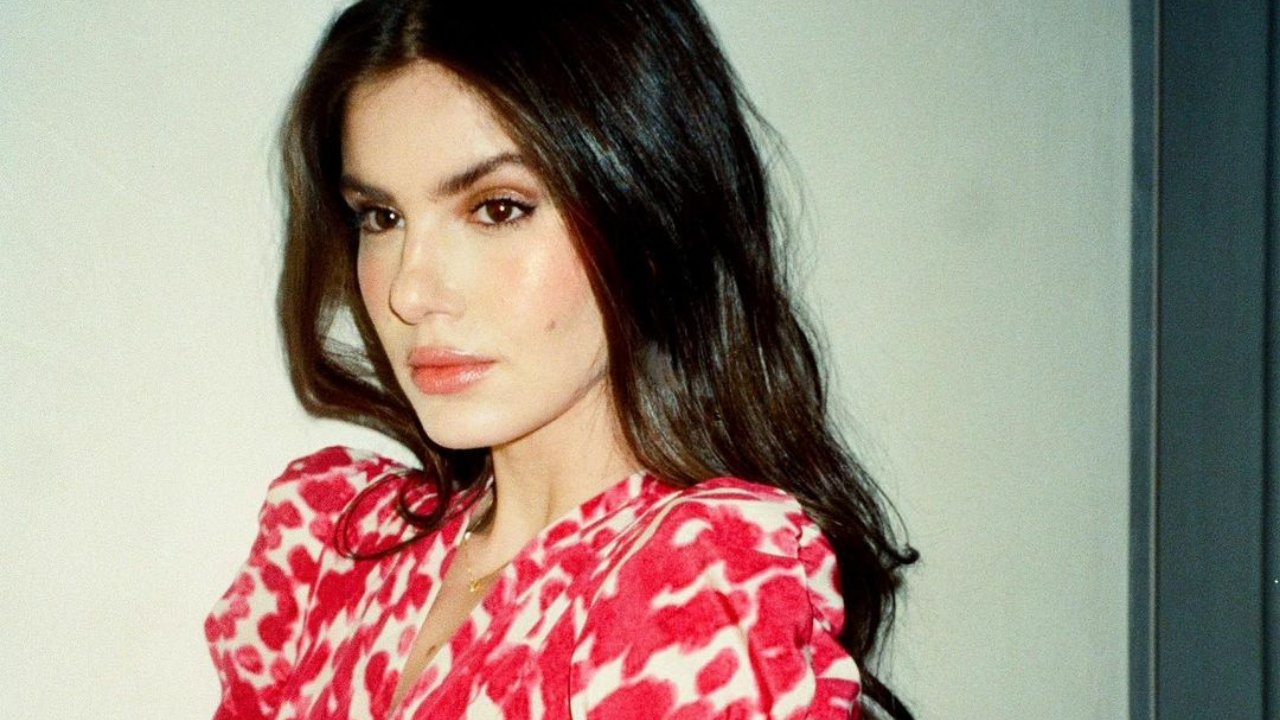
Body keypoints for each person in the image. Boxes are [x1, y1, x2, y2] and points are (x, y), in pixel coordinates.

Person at [205, 0, 917, 718]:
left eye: (498, 208)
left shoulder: (689, 588)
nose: (410, 292)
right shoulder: (334, 555)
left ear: (648, 217)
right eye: (382, 217)